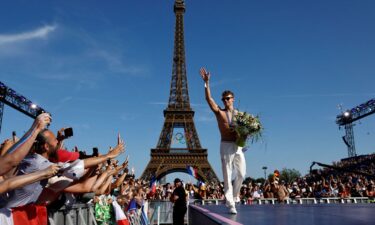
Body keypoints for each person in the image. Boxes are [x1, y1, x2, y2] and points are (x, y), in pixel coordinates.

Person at [200, 67, 246, 214]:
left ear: (233, 99)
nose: (225, 100)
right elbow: (208, 99)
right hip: (225, 145)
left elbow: (246, 131)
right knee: (227, 173)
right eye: (224, 99)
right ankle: (230, 203)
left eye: (228, 98)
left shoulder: (240, 115)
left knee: (241, 174)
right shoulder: (219, 112)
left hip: (238, 146)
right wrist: (207, 83)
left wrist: (246, 135)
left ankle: (234, 195)